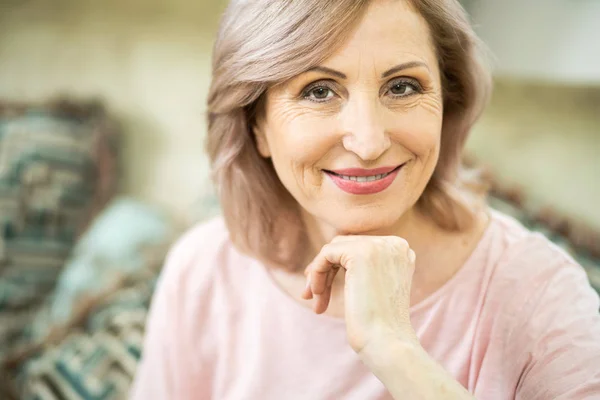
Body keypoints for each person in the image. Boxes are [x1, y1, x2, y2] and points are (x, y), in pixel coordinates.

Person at [130, 0, 600, 398]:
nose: (369, 141)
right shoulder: (204, 270)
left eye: (402, 87)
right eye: (319, 91)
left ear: (447, 105)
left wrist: (396, 352)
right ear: (257, 126)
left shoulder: (540, 292)